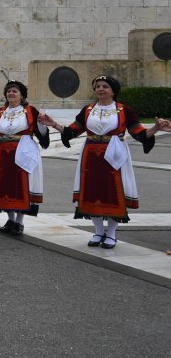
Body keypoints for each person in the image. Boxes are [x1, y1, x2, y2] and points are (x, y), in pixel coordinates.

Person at [38, 75, 168, 249]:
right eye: (97, 86)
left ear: (113, 91)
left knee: (113, 192)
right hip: (91, 155)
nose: (100, 89)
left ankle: (111, 234)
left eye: (105, 86)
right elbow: (72, 132)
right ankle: (98, 231)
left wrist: (156, 128)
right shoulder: (88, 110)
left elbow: (139, 134)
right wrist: (53, 124)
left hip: (114, 155)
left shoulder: (123, 110)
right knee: (92, 191)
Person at [0, 81, 50, 236]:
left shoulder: (29, 110)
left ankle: (19, 221)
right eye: (8, 92)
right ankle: (10, 218)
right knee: (5, 184)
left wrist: (42, 123)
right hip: (4, 154)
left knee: (21, 184)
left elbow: (40, 132)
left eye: (14, 91)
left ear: (21, 95)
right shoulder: (1, 112)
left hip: (24, 152)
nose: (11, 94)